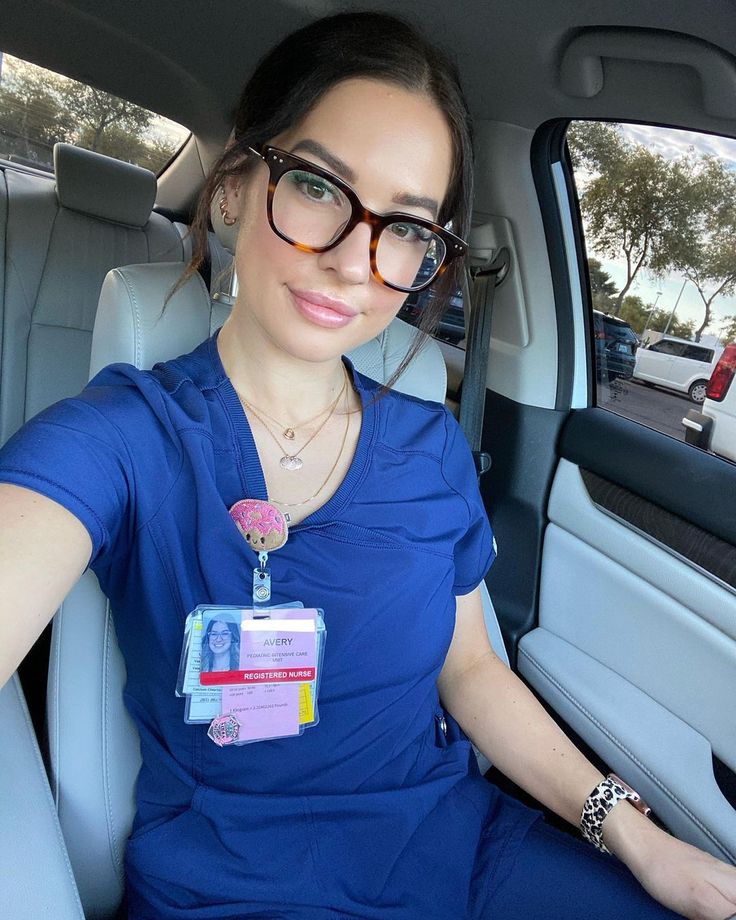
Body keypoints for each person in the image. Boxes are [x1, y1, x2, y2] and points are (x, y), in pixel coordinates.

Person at [0, 10, 735, 920]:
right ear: (233, 188)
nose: (356, 260)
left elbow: (471, 672)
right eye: (316, 185)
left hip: (466, 858)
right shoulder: (121, 440)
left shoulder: (430, 450)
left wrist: (642, 839)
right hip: (243, 891)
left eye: (408, 228)